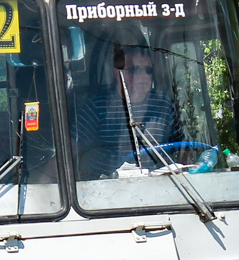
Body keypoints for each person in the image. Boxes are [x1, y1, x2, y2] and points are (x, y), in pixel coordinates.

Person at [74, 45, 179, 178]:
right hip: (105, 190)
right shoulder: (98, 106)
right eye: (134, 70)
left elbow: (182, 150)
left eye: (148, 70)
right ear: (117, 72)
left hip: (157, 188)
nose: (143, 76)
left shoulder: (163, 104)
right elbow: (71, 150)